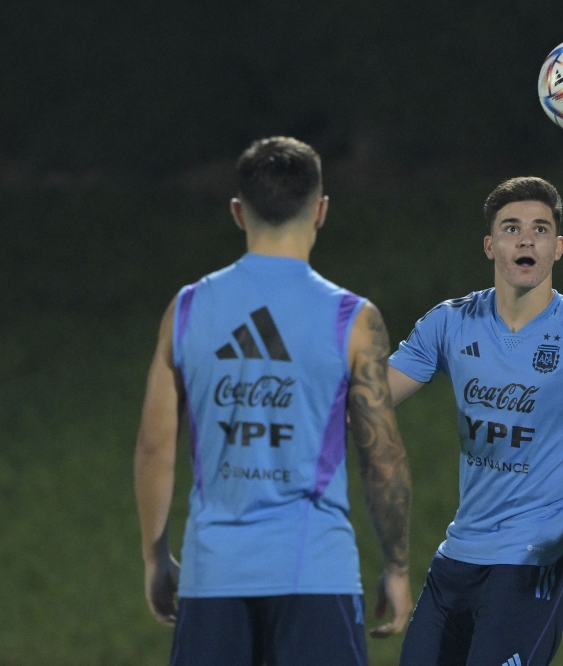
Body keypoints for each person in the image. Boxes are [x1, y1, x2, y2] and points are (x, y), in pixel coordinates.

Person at [134, 136, 413, 666]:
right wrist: (396, 568)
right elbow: (383, 458)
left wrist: (156, 558)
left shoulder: (188, 310)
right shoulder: (352, 319)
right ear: (321, 210)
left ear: (238, 213)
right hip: (315, 572)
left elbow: (154, 448)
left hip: (213, 573)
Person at [388, 177, 563, 666]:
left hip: (542, 553)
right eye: (512, 228)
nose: (525, 239)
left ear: (556, 248)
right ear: (491, 245)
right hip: (461, 553)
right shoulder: (449, 323)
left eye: (540, 229)